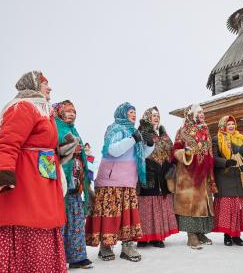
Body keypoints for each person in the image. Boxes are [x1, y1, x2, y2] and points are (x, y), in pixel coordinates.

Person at [0, 71, 67, 272]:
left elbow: (44, 145)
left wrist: (61, 151)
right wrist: (0, 176)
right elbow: (6, 144)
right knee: (27, 221)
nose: (50, 88)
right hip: (26, 183)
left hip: (41, 180)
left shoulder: (43, 110)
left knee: (40, 222)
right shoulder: (23, 107)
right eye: (45, 84)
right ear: (34, 86)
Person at [85, 102, 154, 262]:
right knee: (110, 213)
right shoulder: (114, 129)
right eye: (130, 111)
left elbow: (141, 154)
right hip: (111, 180)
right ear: (122, 113)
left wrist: (150, 144)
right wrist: (133, 138)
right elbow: (112, 150)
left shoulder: (134, 131)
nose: (134, 114)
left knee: (127, 216)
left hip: (128, 180)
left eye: (135, 112)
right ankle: (105, 246)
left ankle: (127, 246)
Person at [53, 100, 93, 269]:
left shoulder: (73, 130)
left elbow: (81, 155)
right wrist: (70, 148)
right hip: (61, 185)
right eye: (68, 111)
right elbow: (54, 151)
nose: (71, 114)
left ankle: (77, 257)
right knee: (60, 223)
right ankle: (58, 259)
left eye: (74, 112)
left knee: (76, 222)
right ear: (59, 112)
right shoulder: (55, 128)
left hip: (76, 185)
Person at [172, 104, 216, 249]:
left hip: (204, 173)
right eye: (199, 112)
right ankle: (191, 235)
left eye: (203, 111)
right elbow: (176, 149)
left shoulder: (205, 129)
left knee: (203, 203)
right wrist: (185, 154)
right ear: (191, 115)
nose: (203, 114)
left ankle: (200, 232)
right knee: (190, 204)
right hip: (188, 174)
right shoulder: (182, 131)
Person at [136, 107, 179, 248]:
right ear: (147, 117)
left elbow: (172, 152)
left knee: (160, 204)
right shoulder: (141, 132)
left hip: (163, 174)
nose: (156, 118)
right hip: (147, 172)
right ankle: (143, 237)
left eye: (158, 115)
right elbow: (138, 151)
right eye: (153, 115)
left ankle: (157, 237)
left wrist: (172, 167)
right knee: (146, 205)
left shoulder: (164, 134)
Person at [212, 115, 243, 246]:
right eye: (228, 124)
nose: (231, 126)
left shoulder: (241, 138)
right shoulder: (216, 139)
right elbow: (213, 158)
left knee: (239, 206)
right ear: (223, 126)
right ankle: (227, 235)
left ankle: (237, 235)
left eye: (233, 124)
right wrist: (226, 162)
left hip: (240, 176)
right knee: (228, 207)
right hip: (224, 177)